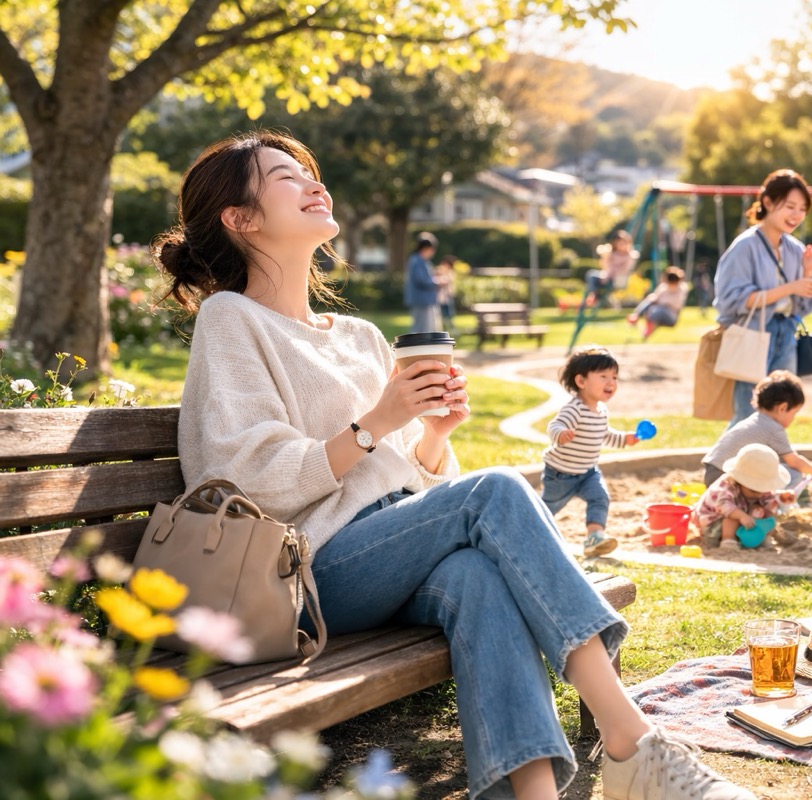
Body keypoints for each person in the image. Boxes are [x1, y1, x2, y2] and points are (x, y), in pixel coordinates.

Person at [153, 131, 754, 800]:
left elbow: (419, 477)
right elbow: (245, 478)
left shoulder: (359, 335)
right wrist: (377, 421)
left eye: (308, 172)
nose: (312, 183)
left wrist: (434, 434)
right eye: (284, 177)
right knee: (494, 490)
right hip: (312, 568)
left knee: (476, 579)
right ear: (241, 219)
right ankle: (632, 742)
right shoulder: (231, 320)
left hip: (395, 550)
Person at [713, 169, 812, 426]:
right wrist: (791, 287)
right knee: (747, 412)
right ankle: (723, 464)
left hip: (786, 334)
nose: (796, 215)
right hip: (753, 333)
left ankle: (768, 464)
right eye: (790, 206)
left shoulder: (795, 249)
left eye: (802, 208)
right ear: (767, 202)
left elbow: (805, 305)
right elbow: (732, 299)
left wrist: (808, 272)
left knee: (780, 411)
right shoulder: (745, 246)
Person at [542, 346, 639, 558]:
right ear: (581, 382)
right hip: (561, 473)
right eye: (603, 376)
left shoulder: (601, 410)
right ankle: (531, 529)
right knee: (547, 508)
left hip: (588, 471)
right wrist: (561, 434)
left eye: (614, 376)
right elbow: (554, 425)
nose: (611, 382)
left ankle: (594, 538)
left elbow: (605, 435)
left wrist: (625, 439)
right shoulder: (574, 409)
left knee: (600, 497)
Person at [701, 370, 812, 488]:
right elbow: (793, 461)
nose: (794, 418)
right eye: (795, 412)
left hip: (711, 472)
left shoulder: (755, 420)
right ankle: (778, 504)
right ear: (783, 408)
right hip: (725, 477)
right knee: (793, 474)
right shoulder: (774, 429)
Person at [694, 444, 793, 550]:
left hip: (742, 520)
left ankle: (762, 538)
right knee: (732, 517)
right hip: (712, 527)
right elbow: (723, 506)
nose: (759, 494)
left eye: (762, 489)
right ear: (740, 481)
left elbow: (768, 498)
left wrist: (781, 497)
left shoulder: (760, 491)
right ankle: (728, 542)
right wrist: (742, 516)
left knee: (766, 513)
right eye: (753, 490)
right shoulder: (725, 486)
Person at [626, 266, 688, 339]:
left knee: (659, 309)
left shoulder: (681, 288)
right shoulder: (663, 287)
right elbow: (653, 299)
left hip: (671, 316)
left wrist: (677, 275)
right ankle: (636, 315)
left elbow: (672, 302)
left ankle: (648, 327)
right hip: (657, 313)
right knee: (651, 299)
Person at [405, 231, 445, 333]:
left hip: (425, 300)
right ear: (426, 248)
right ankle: (414, 349)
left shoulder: (421, 261)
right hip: (421, 300)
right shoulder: (417, 261)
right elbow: (421, 280)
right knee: (421, 329)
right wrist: (438, 282)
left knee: (427, 329)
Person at [585, 230, 638, 306]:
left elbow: (624, 270)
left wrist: (610, 273)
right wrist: (606, 256)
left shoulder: (629, 256)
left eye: (623, 243)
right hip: (606, 276)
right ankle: (593, 295)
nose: (621, 245)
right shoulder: (611, 253)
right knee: (591, 274)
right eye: (619, 243)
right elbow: (604, 265)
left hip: (616, 280)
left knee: (600, 282)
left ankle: (595, 296)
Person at [435, 254, 458, 334]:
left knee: (449, 315)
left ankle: (452, 330)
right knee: (441, 316)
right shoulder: (438, 270)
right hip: (439, 298)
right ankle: (443, 331)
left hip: (447, 297)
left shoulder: (450, 272)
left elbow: (449, 282)